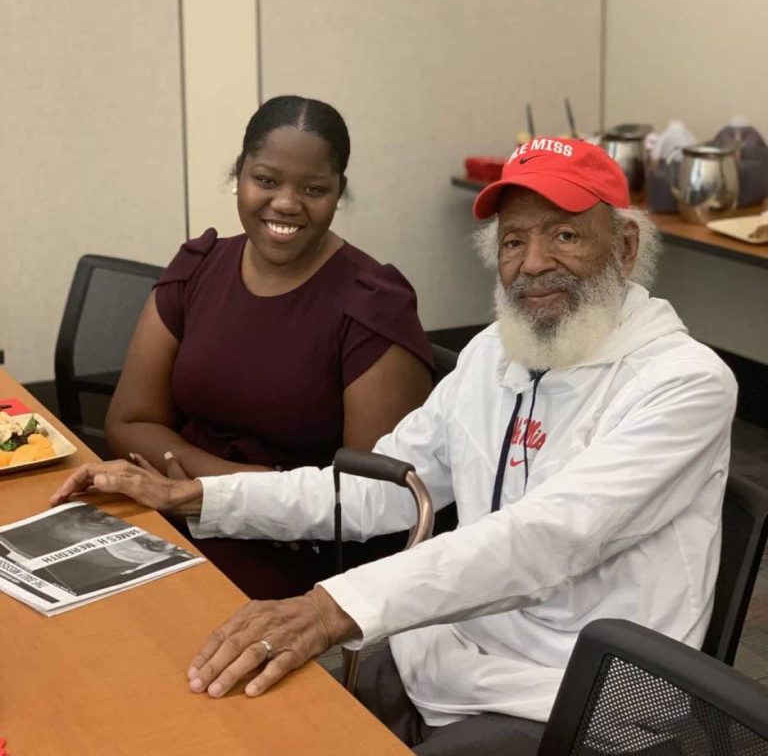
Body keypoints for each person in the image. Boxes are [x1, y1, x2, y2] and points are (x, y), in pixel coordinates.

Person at [52, 137, 737, 756]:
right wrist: (197, 496)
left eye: (564, 235)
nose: (533, 264)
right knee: (226, 716)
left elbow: (545, 540)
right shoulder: (493, 356)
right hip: (446, 651)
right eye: (512, 241)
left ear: (623, 248)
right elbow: (384, 487)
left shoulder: (684, 383)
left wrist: (331, 606)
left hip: (569, 695)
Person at [102, 95, 435, 599]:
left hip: (296, 555)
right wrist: (231, 484)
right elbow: (126, 423)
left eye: (314, 188)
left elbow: (370, 503)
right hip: (169, 516)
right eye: (266, 180)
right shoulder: (197, 267)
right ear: (239, 175)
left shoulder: (372, 304)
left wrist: (204, 489)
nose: (286, 203)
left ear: (339, 191)